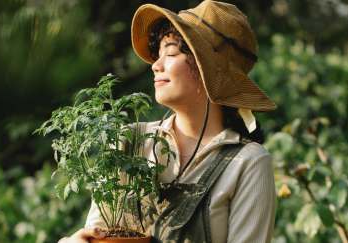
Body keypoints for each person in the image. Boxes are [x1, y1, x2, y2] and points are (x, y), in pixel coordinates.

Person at [59, 1, 277, 242]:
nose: (155, 65)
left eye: (171, 53)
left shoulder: (247, 162)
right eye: (158, 54)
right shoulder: (129, 142)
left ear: (209, 70)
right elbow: (97, 232)